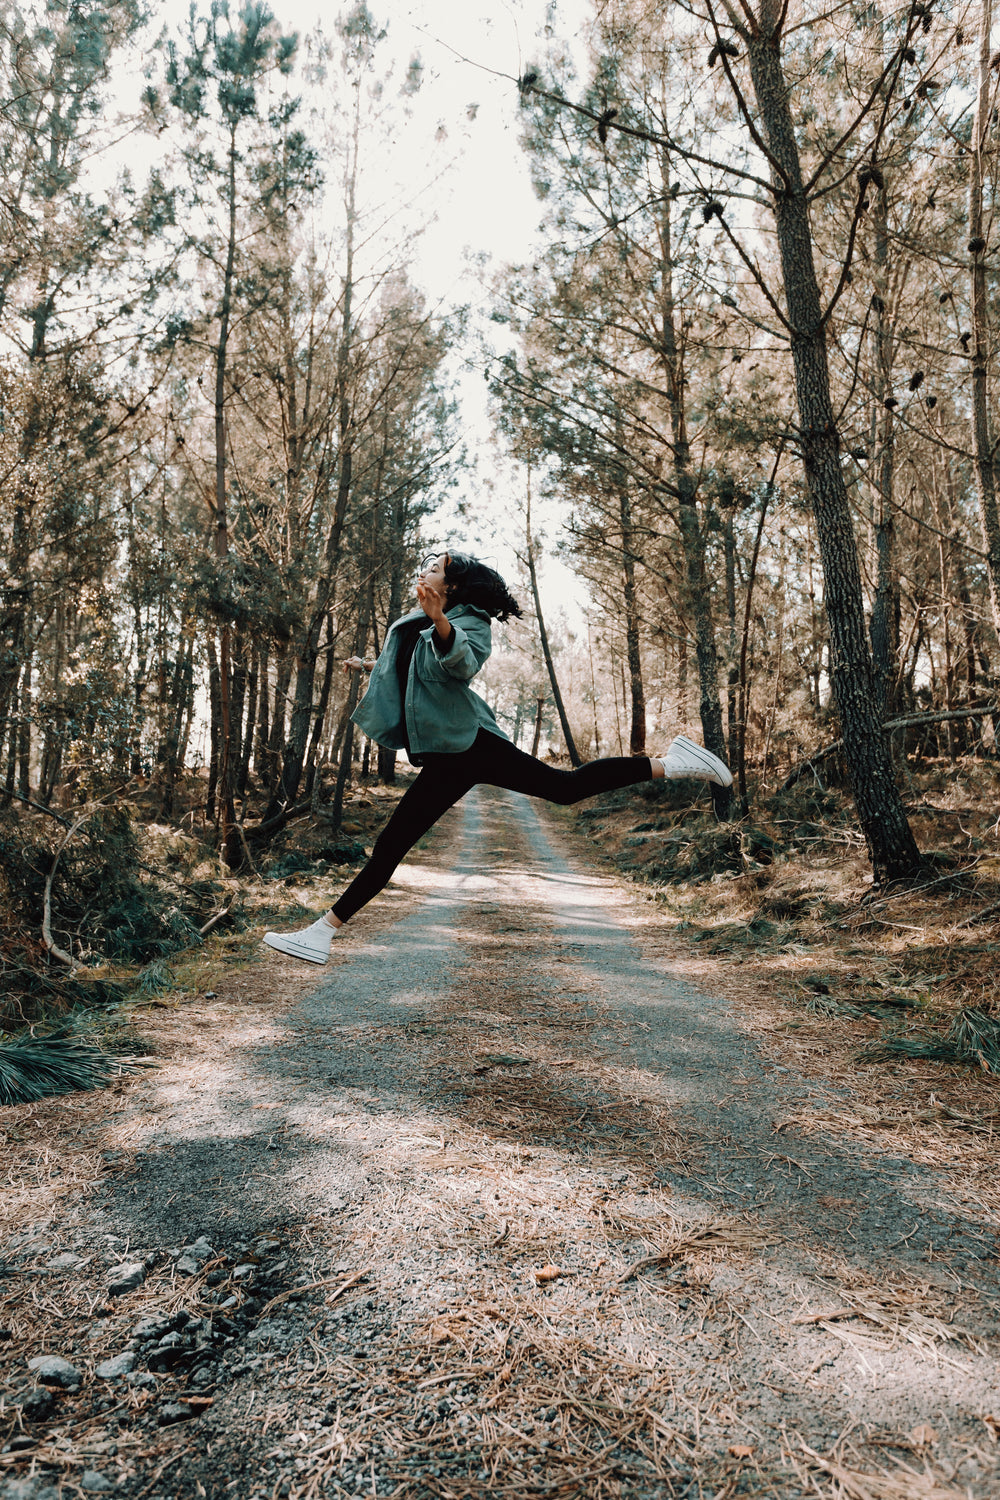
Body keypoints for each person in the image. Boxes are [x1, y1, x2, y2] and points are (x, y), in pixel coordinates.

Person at [263, 550, 732, 965]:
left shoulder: (469, 624)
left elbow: (459, 662)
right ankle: (320, 935)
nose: (424, 571)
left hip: (471, 744)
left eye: (434, 568)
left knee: (564, 789)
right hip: (449, 755)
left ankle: (673, 762)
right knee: (392, 846)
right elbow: (416, 669)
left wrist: (441, 622)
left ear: (453, 587)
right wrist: (370, 664)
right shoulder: (419, 620)